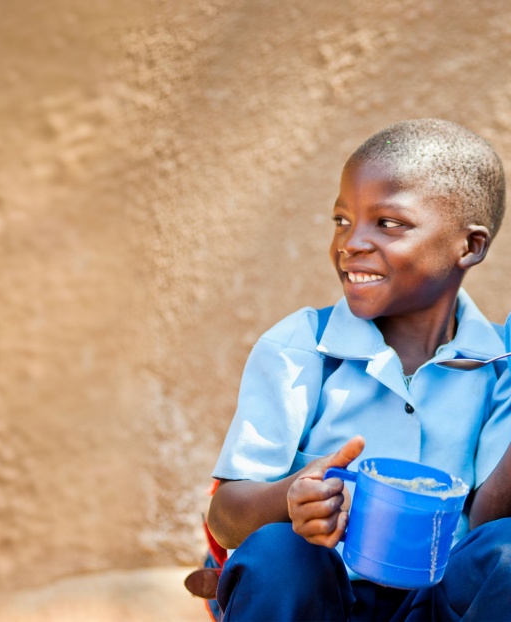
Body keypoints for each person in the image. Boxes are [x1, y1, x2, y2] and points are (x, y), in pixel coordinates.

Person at [206, 118, 511, 621]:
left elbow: (486, 531)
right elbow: (226, 516)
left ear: (469, 246)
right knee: (278, 555)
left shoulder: (498, 364)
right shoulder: (302, 347)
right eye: (343, 220)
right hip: (324, 598)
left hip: (437, 602)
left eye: (387, 223)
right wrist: (292, 496)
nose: (351, 243)